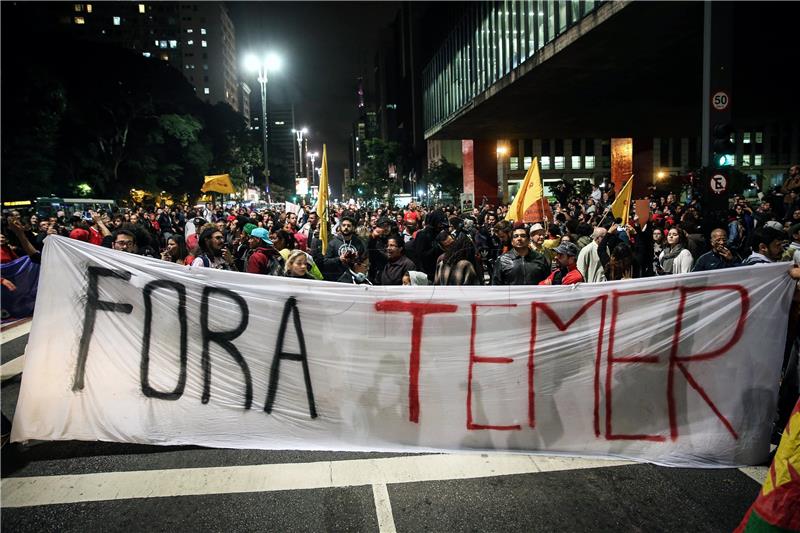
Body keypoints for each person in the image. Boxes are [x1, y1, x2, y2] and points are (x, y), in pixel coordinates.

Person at [322, 216, 365, 281]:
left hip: (354, 278)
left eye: (349, 226)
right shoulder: (333, 243)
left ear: (353, 228)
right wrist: (339, 259)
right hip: (337, 278)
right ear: (340, 227)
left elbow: (363, 261)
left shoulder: (358, 242)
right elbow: (326, 262)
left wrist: (357, 259)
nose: (346, 227)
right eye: (344, 225)